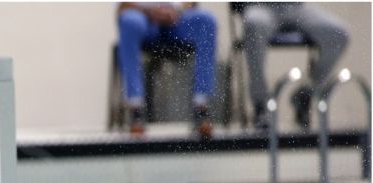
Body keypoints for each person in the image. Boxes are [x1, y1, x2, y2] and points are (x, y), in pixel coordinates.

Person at [239, 2, 349, 131]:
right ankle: (261, 106)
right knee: (253, 24)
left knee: (339, 34)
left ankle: (304, 96)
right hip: (260, 6)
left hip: (296, 7)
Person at [117, 2, 217, 138]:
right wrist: (151, 11)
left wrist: (175, 10)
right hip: (144, 22)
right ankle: (136, 111)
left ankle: (201, 109)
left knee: (206, 20)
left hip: (177, 21)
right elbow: (123, 6)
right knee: (129, 20)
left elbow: (192, 3)